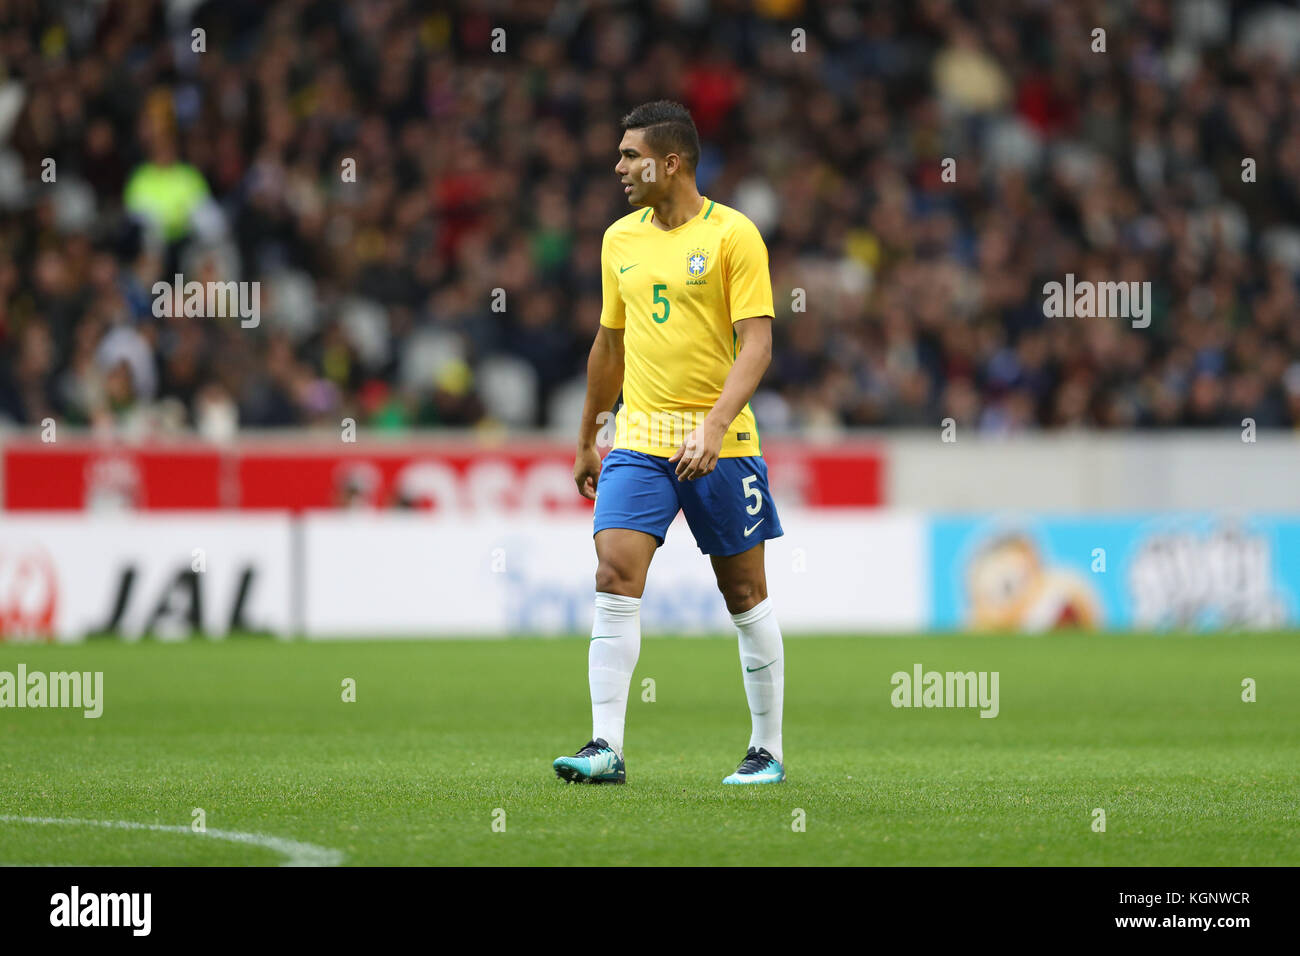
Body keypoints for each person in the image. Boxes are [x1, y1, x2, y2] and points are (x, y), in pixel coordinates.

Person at [554, 101, 786, 786]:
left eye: (631, 155)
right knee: (613, 575)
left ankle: (766, 749)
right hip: (641, 437)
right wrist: (591, 435)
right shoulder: (617, 240)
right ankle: (605, 747)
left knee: (744, 593)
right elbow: (609, 344)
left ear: (671, 161)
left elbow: (760, 345)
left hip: (726, 440)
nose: (619, 167)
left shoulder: (733, 236)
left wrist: (713, 427)